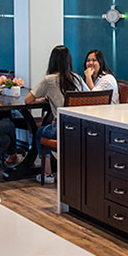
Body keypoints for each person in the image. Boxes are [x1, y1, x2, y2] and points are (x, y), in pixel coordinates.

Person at [25, 45, 89, 183]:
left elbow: (28, 100)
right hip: (82, 128)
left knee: (40, 132)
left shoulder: (49, 79)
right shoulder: (76, 78)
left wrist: (48, 96)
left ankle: (47, 173)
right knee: (48, 127)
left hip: (62, 128)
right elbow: (88, 97)